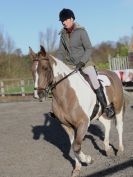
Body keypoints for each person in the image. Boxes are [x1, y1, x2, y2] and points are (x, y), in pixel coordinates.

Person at [56, 8, 115, 118]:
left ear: (72, 19)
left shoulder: (81, 32)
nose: (63, 22)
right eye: (62, 21)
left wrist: (82, 62)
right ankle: (58, 109)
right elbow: (61, 51)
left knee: (94, 79)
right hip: (70, 64)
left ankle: (106, 107)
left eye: (65, 20)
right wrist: (58, 65)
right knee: (59, 81)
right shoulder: (63, 35)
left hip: (84, 63)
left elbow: (89, 48)